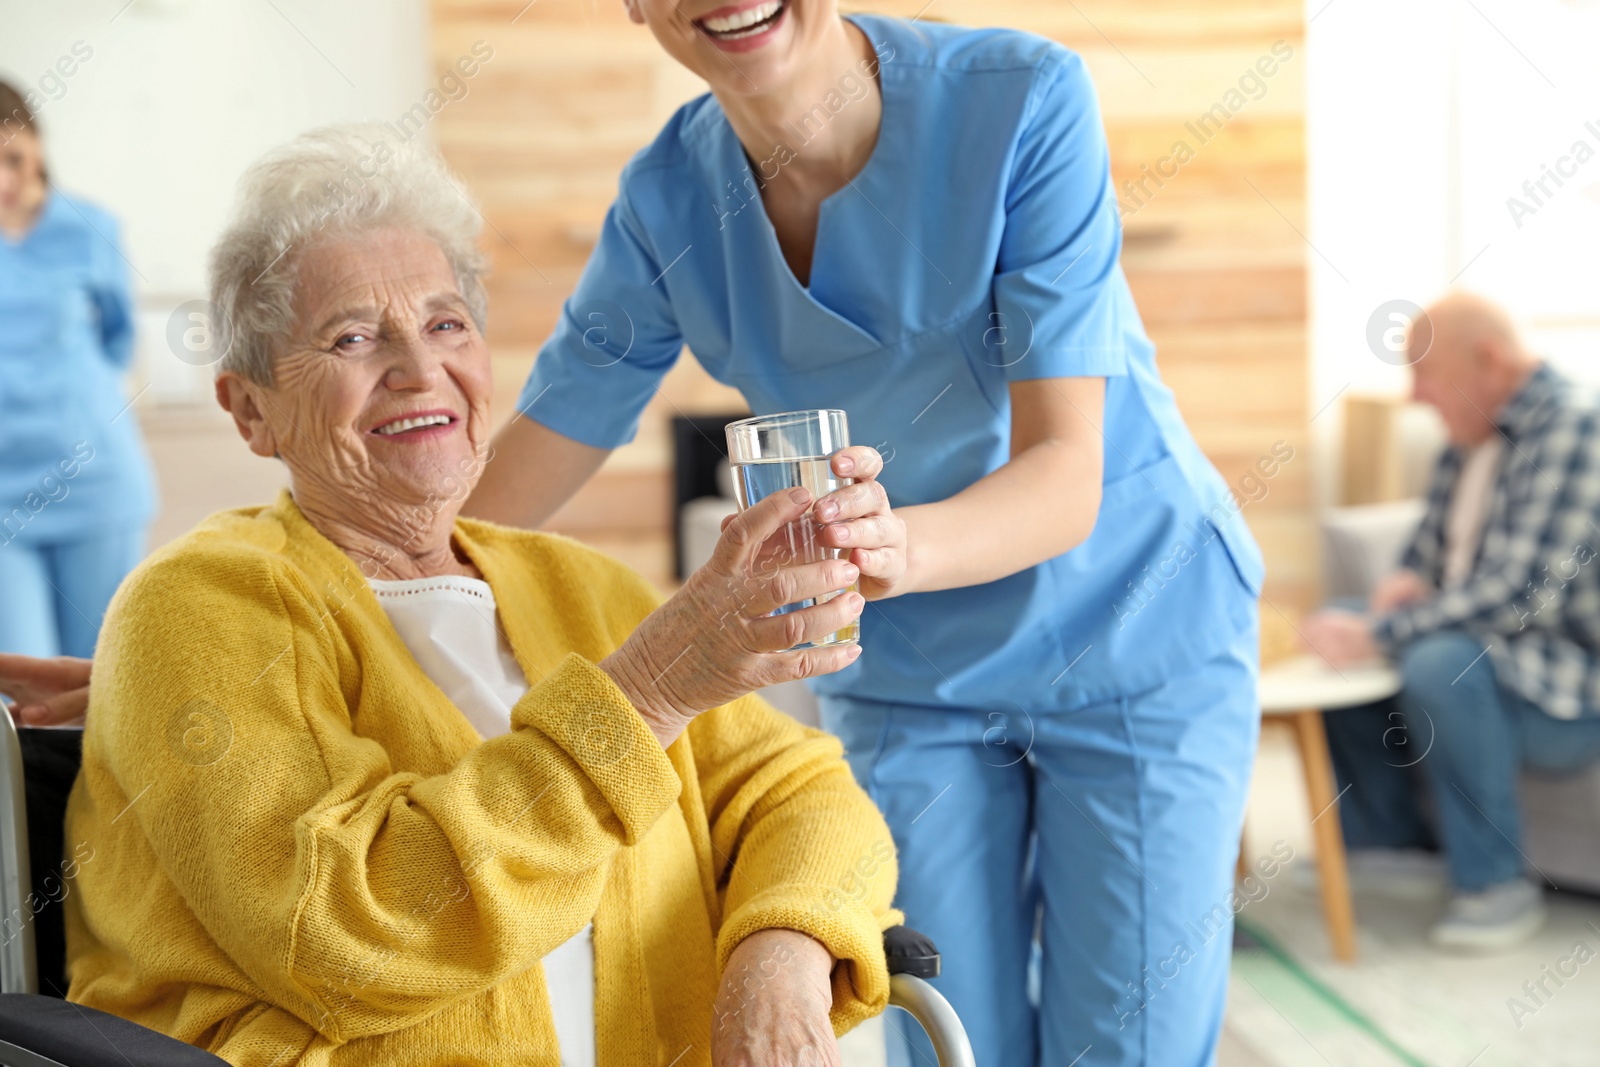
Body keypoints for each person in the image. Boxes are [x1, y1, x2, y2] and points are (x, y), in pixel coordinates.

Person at [465, 5, 1265, 1065]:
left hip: (1130, 623)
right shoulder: (668, 200)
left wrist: (894, 548)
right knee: (942, 1031)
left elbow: (1066, 473)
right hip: (908, 674)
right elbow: (539, 449)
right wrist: (338, 566)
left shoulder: (1019, 100)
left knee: (1127, 1042)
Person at [64, 126, 903, 1067]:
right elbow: (351, 931)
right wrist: (653, 689)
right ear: (250, 408)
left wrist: (778, 956)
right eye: (351, 336)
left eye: (445, 322)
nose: (420, 370)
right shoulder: (203, 603)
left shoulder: (577, 585)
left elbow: (801, 789)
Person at [1302, 293, 1600, 950]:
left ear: (1488, 361)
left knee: (1437, 657)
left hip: (1568, 680)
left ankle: (1496, 884)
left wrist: (1384, 633)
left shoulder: (1575, 426)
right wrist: (1398, 590)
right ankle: (1388, 839)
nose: (1413, 397)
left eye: (1423, 374)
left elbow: (1521, 594)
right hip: (1490, 655)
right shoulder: (1472, 434)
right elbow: (1427, 554)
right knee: (1336, 628)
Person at [0, 79, 156, 665]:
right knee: (20, 692)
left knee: (103, 680)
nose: (3, 183)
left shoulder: (90, 227)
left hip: (93, 480)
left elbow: (117, 339)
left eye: (12, 159)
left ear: (38, 147)